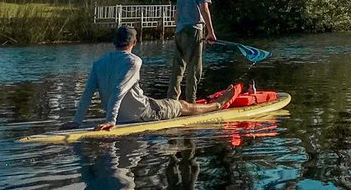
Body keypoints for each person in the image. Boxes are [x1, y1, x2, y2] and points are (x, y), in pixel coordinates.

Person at [64, 24, 237, 131]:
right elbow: (119, 90)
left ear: (114, 42)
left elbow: (87, 94)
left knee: (166, 102)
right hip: (142, 114)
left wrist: (76, 121)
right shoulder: (134, 61)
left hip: (122, 115)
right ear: (135, 43)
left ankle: (211, 104)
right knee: (180, 105)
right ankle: (218, 104)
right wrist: (110, 121)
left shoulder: (99, 62)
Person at [168, 0, 217, 102]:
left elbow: (177, 13)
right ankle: (191, 100)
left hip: (179, 30)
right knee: (194, 68)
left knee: (178, 67)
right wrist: (210, 32)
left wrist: (177, 28)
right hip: (194, 29)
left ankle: (172, 99)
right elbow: (204, 9)